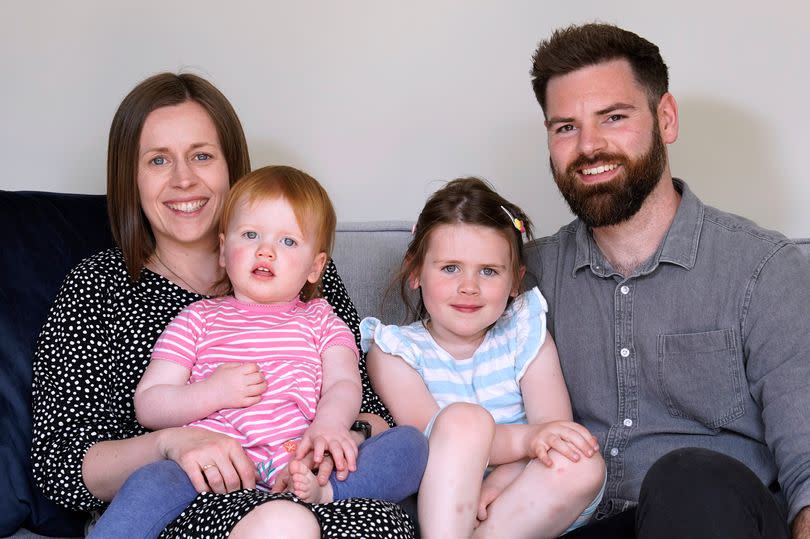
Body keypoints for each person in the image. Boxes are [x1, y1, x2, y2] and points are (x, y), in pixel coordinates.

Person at [30, 72, 417, 539]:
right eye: (157, 160)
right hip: (186, 504)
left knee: (381, 519)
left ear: (231, 166)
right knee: (283, 524)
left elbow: (372, 409)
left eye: (202, 155)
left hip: (304, 483)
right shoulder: (98, 286)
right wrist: (171, 444)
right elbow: (60, 464)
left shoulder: (301, 278)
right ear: (129, 177)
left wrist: (329, 444)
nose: (183, 179)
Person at [526, 23, 810, 539]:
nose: (589, 146)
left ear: (666, 118)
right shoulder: (527, 278)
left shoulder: (763, 268)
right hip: (587, 523)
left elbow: (809, 465)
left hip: (715, 517)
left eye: (613, 117)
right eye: (565, 127)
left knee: (689, 477)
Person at [87, 166, 428, 537]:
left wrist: (328, 428)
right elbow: (150, 404)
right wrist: (212, 392)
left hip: (302, 461)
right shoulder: (198, 318)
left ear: (316, 267)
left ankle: (326, 493)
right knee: (151, 483)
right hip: (213, 471)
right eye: (250, 235)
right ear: (223, 250)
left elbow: (344, 383)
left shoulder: (322, 319)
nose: (265, 250)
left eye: (288, 242)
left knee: (410, 445)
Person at [362, 177, 606, 538]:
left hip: (527, 499)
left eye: (488, 271)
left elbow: (552, 432)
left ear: (514, 283)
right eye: (450, 268)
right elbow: (433, 445)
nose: (469, 287)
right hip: (445, 504)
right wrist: (524, 441)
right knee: (462, 421)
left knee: (582, 461)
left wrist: (500, 485)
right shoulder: (394, 351)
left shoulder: (524, 332)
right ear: (416, 271)